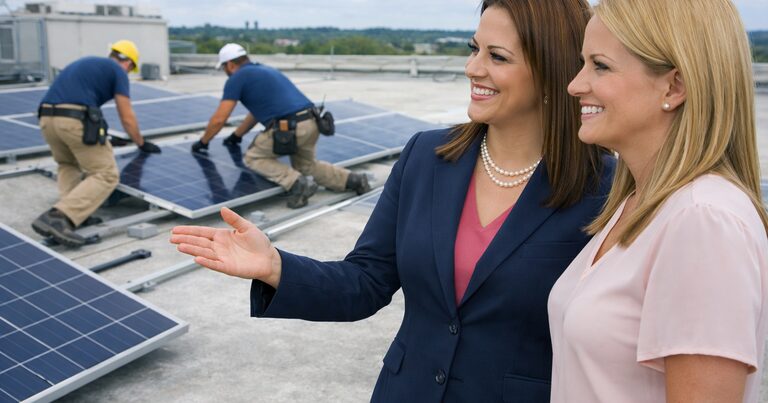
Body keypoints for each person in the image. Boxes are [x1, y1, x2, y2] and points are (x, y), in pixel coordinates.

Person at [172, 1, 613, 401]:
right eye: (473, 48)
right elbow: (366, 281)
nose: (472, 68)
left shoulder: (604, 185)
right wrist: (276, 267)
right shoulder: (426, 156)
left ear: (552, 70)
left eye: (496, 57)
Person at [548, 0, 768, 402]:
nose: (575, 85)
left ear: (674, 86)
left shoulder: (704, 221)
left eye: (600, 65)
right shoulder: (642, 203)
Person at [190, 43, 370, 209]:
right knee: (307, 165)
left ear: (229, 65)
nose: (225, 72)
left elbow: (219, 119)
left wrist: (203, 142)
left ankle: (298, 184)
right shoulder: (264, 70)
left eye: (224, 68)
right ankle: (354, 180)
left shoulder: (237, 78)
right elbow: (255, 112)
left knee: (253, 158)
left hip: (290, 127)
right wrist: (237, 135)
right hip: (313, 121)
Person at [31, 40, 161, 248]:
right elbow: (126, 115)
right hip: (74, 119)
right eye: (130, 68)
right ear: (127, 62)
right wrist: (141, 143)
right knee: (105, 174)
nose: (128, 72)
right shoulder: (117, 72)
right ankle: (59, 217)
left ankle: (73, 216)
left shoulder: (88, 63)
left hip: (47, 118)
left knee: (68, 164)